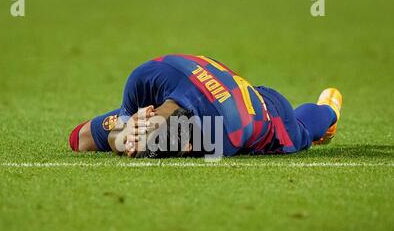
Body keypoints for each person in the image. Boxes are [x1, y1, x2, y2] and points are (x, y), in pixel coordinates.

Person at [69, 54, 343, 158]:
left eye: (135, 146)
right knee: (80, 139)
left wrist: (120, 138)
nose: (132, 145)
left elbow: (157, 137)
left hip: (270, 112)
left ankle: (328, 110)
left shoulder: (226, 138)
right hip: (206, 89)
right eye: (141, 134)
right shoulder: (145, 78)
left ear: (188, 147)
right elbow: (78, 138)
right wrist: (123, 131)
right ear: (149, 111)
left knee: (306, 130)